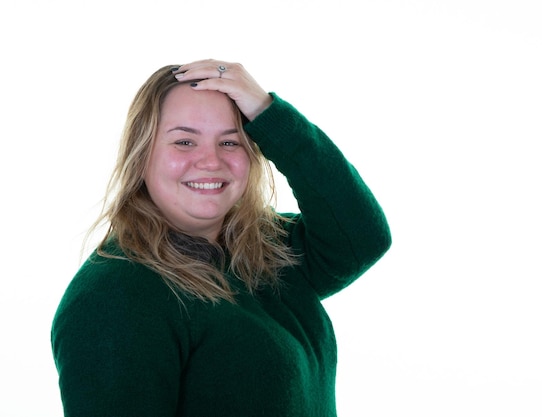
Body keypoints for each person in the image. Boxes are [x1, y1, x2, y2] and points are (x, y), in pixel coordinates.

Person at [51, 58, 392, 417]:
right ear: (141, 154)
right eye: (184, 141)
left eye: (230, 142)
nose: (211, 161)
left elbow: (362, 237)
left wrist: (266, 112)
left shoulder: (265, 250)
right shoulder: (116, 297)